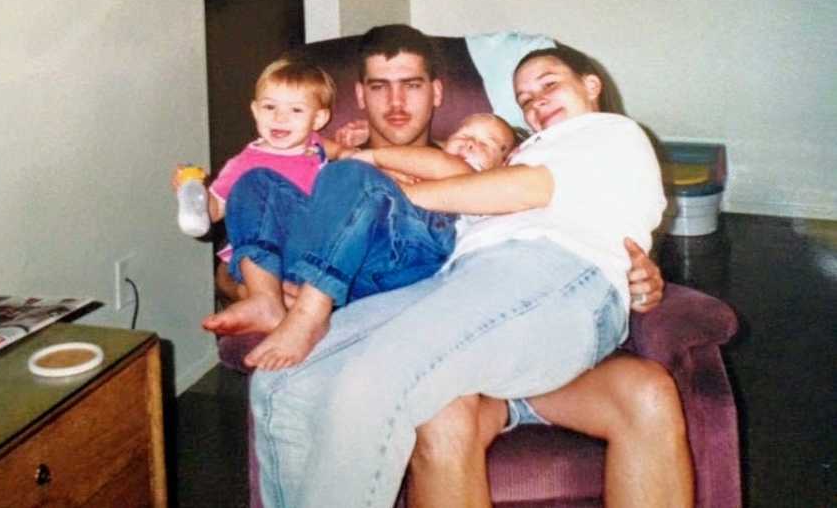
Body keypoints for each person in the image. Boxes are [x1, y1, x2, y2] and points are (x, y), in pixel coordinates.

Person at [216, 25, 690, 506]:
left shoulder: (602, 133)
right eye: (524, 98)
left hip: (529, 286)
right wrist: (264, 289)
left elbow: (528, 192)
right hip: (462, 302)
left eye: (549, 84)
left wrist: (383, 196)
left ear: (591, 85)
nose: (537, 102)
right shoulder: (326, 161)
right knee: (284, 381)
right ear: (360, 95)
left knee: (373, 381)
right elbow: (255, 235)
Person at [206, 112, 518, 370]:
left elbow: (448, 167)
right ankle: (266, 299)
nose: (471, 143)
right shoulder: (402, 162)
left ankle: (309, 315)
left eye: (488, 144)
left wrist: (367, 158)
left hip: (409, 253)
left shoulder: (474, 180)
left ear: (504, 166)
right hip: (345, 254)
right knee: (256, 182)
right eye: (464, 133)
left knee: (349, 175)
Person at [174, 57, 346, 335]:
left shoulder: (317, 149)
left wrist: (351, 145)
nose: (280, 118)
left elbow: (341, 156)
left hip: (311, 255)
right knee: (254, 190)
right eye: (269, 107)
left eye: (296, 110)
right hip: (264, 259)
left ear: (319, 118)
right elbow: (216, 210)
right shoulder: (245, 162)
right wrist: (195, 196)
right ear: (255, 111)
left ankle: (293, 310)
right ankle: (265, 301)